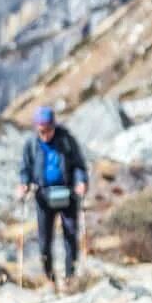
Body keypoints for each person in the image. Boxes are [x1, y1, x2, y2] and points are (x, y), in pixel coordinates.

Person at [17, 106, 88, 292]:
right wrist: (24, 183)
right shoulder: (31, 145)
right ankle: (50, 278)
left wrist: (80, 182)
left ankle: (69, 277)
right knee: (44, 240)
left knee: (70, 236)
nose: (45, 135)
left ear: (54, 126)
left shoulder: (66, 141)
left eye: (48, 130)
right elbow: (25, 168)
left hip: (67, 195)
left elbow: (79, 165)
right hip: (43, 197)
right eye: (41, 131)